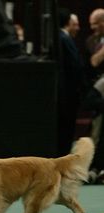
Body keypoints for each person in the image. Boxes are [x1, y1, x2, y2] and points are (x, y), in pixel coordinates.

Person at [57, 8, 85, 156]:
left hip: (63, 93)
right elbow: (76, 66)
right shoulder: (65, 39)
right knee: (66, 131)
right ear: (69, 22)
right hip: (68, 94)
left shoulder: (58, 38)